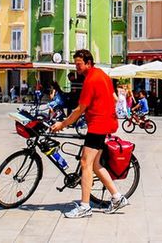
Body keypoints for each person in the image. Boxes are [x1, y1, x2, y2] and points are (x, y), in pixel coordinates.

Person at [51, 49, 127, 218]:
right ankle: (117, 197)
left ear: (88, 63)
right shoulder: (102, 74)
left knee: (85, 163)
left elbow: (79, 109)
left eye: (78, 64)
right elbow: (114, 99)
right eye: (75, 63)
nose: (76, 67)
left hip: (98, 125)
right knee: (95, 164)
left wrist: (62, 124)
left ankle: (85, 206)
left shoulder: (91, 80)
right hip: (106, 122)